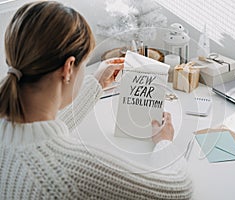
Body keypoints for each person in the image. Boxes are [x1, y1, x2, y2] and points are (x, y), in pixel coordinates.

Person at [0, 1, 192, 199]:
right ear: (68, 68)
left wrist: (96, 84)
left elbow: (38, 136)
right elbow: (179, 189)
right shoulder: (68, 173)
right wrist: (165, 143)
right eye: (84, 65)